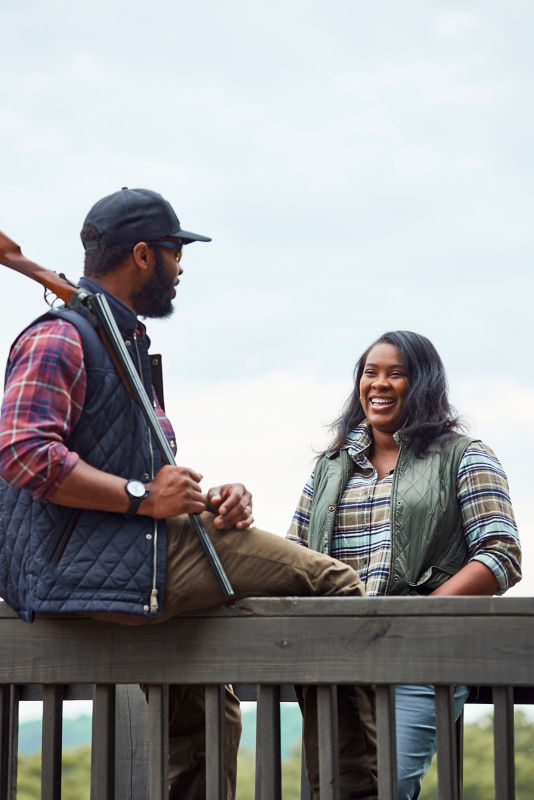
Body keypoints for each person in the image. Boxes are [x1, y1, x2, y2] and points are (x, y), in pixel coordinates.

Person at [0, 187, 377, 800]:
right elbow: (21, 450)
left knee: (205, 704)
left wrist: (208, 501)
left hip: (112, 546)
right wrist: (144, 497)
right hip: (79, 559)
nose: (182, 270)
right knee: (332, 583)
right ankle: (358, 792)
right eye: (177, 253)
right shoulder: (59, 339)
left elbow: (133, 464)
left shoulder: (109, 332)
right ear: (144, 255)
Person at [287, 330, 521, 800]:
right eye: (370, 373)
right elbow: (294, 554)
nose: (380, 383)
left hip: (419, 658)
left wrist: (418, 619)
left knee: (388, 789)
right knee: (337, 793)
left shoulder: (465, 456)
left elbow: (500, 555)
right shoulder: (330, 467)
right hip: (334, 662)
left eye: (397, 374)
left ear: (424, 384)